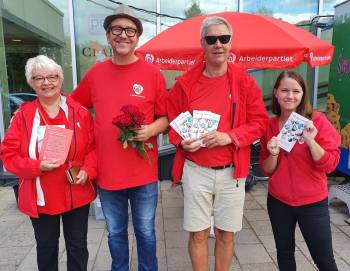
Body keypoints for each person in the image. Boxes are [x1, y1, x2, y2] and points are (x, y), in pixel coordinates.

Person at [71, 4, 168, 271]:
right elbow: (73, 108)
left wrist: (150, 130)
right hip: (108, 173)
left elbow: (167, 117)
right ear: (108, 35)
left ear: (138, 36)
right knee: (115, 234)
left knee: (146, 232)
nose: (123, 35)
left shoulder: (152, 74)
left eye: (130, 30)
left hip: (143, 172)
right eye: (117, 29)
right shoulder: (96, 74)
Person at [167, 16, 268, 271]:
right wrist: (181, 143)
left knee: (226, 234)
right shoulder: (185, 83)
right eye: (212, 39)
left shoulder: (244, 81)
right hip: (196, 170)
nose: (218, 44)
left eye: (224, 39)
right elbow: (173, 124)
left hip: (232, 172)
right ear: (202, 43)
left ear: (230, 43)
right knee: (198, 234)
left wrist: (230, 136)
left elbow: (260, 122)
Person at [0, 55, 97, 271]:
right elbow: (8, 155)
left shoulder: (79, 112)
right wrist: (36, 166)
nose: (46, 83)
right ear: (31, 83)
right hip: (41, 195)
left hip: (76, 191)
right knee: (46, 248)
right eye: (38, 78)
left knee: (78, 246)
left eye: (52, 77)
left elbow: (93, 149)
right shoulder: (22, 116)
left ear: (60, 79)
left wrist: (88, 170)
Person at [260, 71, 340, 271]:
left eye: (296, 91)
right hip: (278, 201)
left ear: (303, 94)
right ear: (276, 93)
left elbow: (330, 165)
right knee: (284, 254)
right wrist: (273, 153)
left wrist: (311, 140)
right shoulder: (270, 125)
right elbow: (267, 169)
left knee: (324, 260)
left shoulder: (318, 121)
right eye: (285, 90)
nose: (290, 96)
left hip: (312, 203)